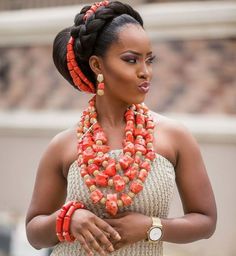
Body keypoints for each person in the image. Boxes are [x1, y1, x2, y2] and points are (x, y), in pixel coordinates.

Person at [25, 1, 217, 255]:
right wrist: (68, 219)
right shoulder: (64, 145)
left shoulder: (174, 137)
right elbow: (34, 233)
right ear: (97, 66)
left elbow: (206, 221)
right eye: (131, 60)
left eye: (149, 60)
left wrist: (150, 227)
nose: (145, 72)